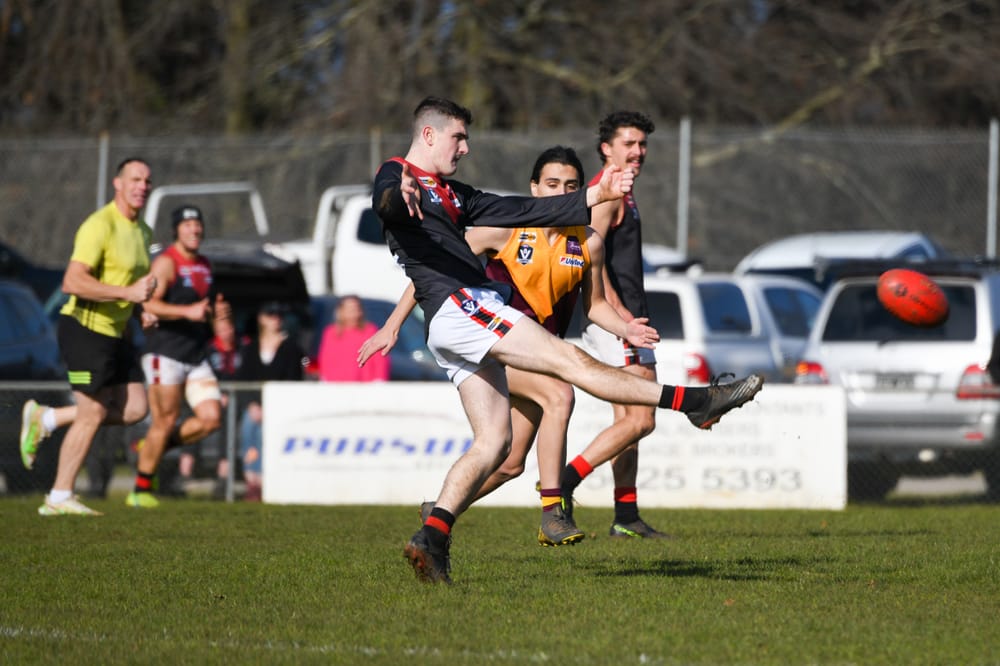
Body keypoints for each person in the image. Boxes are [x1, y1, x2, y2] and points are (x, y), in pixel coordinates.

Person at [369, 96, 762, 583]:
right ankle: (694, 401)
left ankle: (431, 537)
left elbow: (521, 208)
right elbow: (385, 198)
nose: (465, 147)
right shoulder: (398, 175)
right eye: (458, 137)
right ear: (428, 135)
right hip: (463, 308)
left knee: (495, 446)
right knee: (567, 366)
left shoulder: (455, 194)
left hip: (457, 323)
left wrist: (596, 196)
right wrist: (395, 191)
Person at [365, 145, 659, 548]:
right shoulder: (503, 230)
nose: (560, 192)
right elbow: (432, 272)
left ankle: (438, 513)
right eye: (551, 183)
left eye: (571, 186)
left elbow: (595, 308)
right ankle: (554, 512)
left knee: (509, 464)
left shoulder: (587, 241)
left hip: (542, 352)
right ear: (534, 189)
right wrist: (393, 324)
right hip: (497, 345)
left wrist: (627, 329)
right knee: (560, 393)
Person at [19, 156, 158, 516]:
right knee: (93, 410)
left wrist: (143, 309)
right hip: (84, 329)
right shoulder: (100, 226)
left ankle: (47, 418)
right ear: (118, 183)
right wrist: (128, 295)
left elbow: (130, 286)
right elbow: (72, 281)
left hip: (117, 333)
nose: (142, 186)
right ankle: (59, 496)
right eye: (135, 179)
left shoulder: (143, 232)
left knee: (136, 409)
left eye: (147, 181)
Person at [559, 110, 673, 539]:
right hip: (620, 322)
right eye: (629, 143)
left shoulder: (623, 190)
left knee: (630, 420)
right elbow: (590, 250)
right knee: (642, 419)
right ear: (607, 148)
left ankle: (625, 516)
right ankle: (563, 485)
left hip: (624, 319)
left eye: (642, 144)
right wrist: (619, 314)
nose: (638, 151)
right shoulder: (605, 193)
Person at [127, 204, 228, 508]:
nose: (194, 230)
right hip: (165, 353)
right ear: (176, 231)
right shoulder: (167, 264)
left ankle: (153, 448)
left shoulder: (205, 265)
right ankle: (140, 490)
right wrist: (188, 311)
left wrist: (220, 321)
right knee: (166, 420)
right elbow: (149, 305)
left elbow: (210, 307)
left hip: (196, 356)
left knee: (211, 419)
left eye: (198, 225)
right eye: (187, 226)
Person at [234, 301, 306, 501]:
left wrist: (272, 406)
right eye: (271, 315)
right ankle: (252, 480)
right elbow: (243, 378)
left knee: (263, 434)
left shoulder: (292, 348)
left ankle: (263, 480)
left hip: (280, 406)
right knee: (250, 428)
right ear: (261, 319)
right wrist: (253, 404)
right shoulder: (251, 347)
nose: (276, 319)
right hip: (255, 406)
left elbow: (297, 373)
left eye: (279, 316)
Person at [317, 295, 388, 382]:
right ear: (341, 311)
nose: (353, 311)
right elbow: (325, 359)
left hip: (364, 386)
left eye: (356, 308)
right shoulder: (331, 333)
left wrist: (379, 380)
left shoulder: (369, 331)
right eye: (349, 308)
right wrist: (324, 379)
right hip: (336, 386)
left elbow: (380, 360)